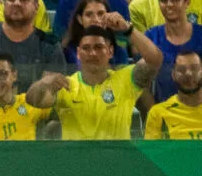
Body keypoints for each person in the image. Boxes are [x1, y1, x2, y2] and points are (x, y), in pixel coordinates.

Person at [28, 20, 161, 139]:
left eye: (98, 47)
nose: (92, 53)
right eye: (86, 48)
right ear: (78, 53)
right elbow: (34, 101)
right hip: (78, 164)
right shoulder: (65, 84)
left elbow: (155, 60)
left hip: (116, 164)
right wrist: (44, 83)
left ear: (110, 51)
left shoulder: (125, 79)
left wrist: (128, 29)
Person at [144, 0, 202, 101]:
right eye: (164, 0)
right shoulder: (150, 37)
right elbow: (143, 84)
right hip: (164, 112)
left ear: (187, 2)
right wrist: (155, 113)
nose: (169, 4)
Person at [145, 50, 202, 139]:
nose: (188, 74)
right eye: (181, 70)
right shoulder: (158, 113)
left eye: (194, 68)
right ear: (173, 75)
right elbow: (151, 151)